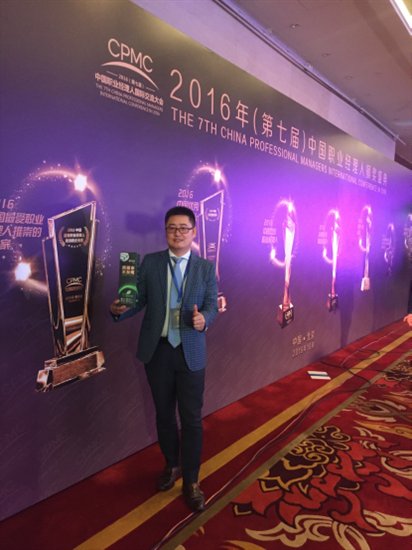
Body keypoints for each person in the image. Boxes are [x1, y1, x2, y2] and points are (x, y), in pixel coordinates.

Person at [110, 206, 218, 512]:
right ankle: (171, 465)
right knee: (164, 415)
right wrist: (120, 311)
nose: (178, 233)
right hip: (157, 351)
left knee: (192, 418)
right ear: (166, 231)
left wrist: (204, 319)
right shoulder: (151, 262)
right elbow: (138, 300)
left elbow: (211, 304)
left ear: (194, 232)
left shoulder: (205, 268)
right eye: (172, 227)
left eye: (184, 228)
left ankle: (192, 480)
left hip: (190, 351)